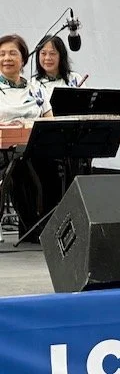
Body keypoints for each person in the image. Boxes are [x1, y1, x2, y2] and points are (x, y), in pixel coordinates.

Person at [0, 34, 58, 243]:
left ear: (23, 59)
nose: (7, 58)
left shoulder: (36, 88)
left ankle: (46, 227)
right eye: (2, 54)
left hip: (33, 149)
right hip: (3, 149)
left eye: (12, 53)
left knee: (57, 166)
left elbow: (49, 120)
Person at [33, 35, 86, 101]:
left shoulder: (75, 78)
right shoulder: (32, 84)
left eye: (52, 53)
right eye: (43, 53)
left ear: (61, 56)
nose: (47, 58)